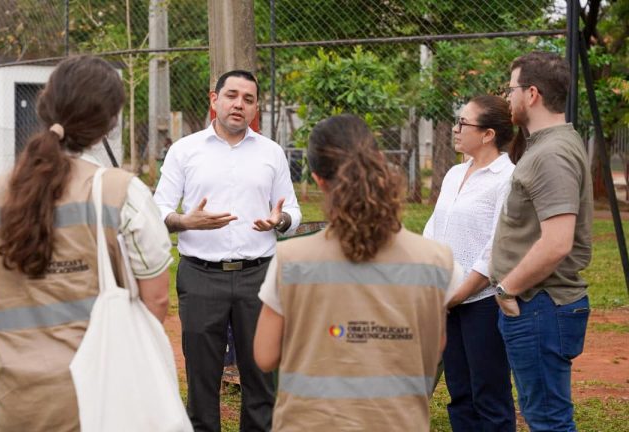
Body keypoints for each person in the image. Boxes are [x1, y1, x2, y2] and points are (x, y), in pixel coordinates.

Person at [0, 55, 173, 432]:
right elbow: (157, 299)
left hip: (16, 398)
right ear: (108, 123)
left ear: (44, 106)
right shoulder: (120, 192)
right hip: (97, 396)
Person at [253, 114, 457, 431]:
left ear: (318, 180)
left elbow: (265, 355)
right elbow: (433, 351)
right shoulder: (436, 260)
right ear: (378, 162)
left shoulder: (291, 260)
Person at [154, 69, 301, 431]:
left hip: (259, 277)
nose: (239, 104)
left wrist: (280, 220)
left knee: (261, 377)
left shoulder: (271, 153)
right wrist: (185, 221)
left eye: (248, 99)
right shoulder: (184, 151)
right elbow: (157, 210)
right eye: (232, 95)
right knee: (202, 380)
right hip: (201, 276)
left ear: (256, 108)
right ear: (214, 99)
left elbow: (293, 211)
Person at [492, 51, 593, 431]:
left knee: (548, 420)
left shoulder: (552, 154)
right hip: (537, 305)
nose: (507, 97)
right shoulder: (546, 145)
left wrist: (507, 290)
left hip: (539, 305)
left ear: (531, 94)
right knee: (542, 415)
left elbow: (557, 243)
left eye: (511, 89)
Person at [423, 95, 517, 431]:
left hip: (483, 302)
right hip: (446, 300)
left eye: (464, 122)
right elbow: (434, 229)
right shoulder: (454, 173)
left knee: (489, 396)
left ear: (488, 134)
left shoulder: (508, 179)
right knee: (459, 393)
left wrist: (460, 294)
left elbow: (496, 247)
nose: (456, 128)